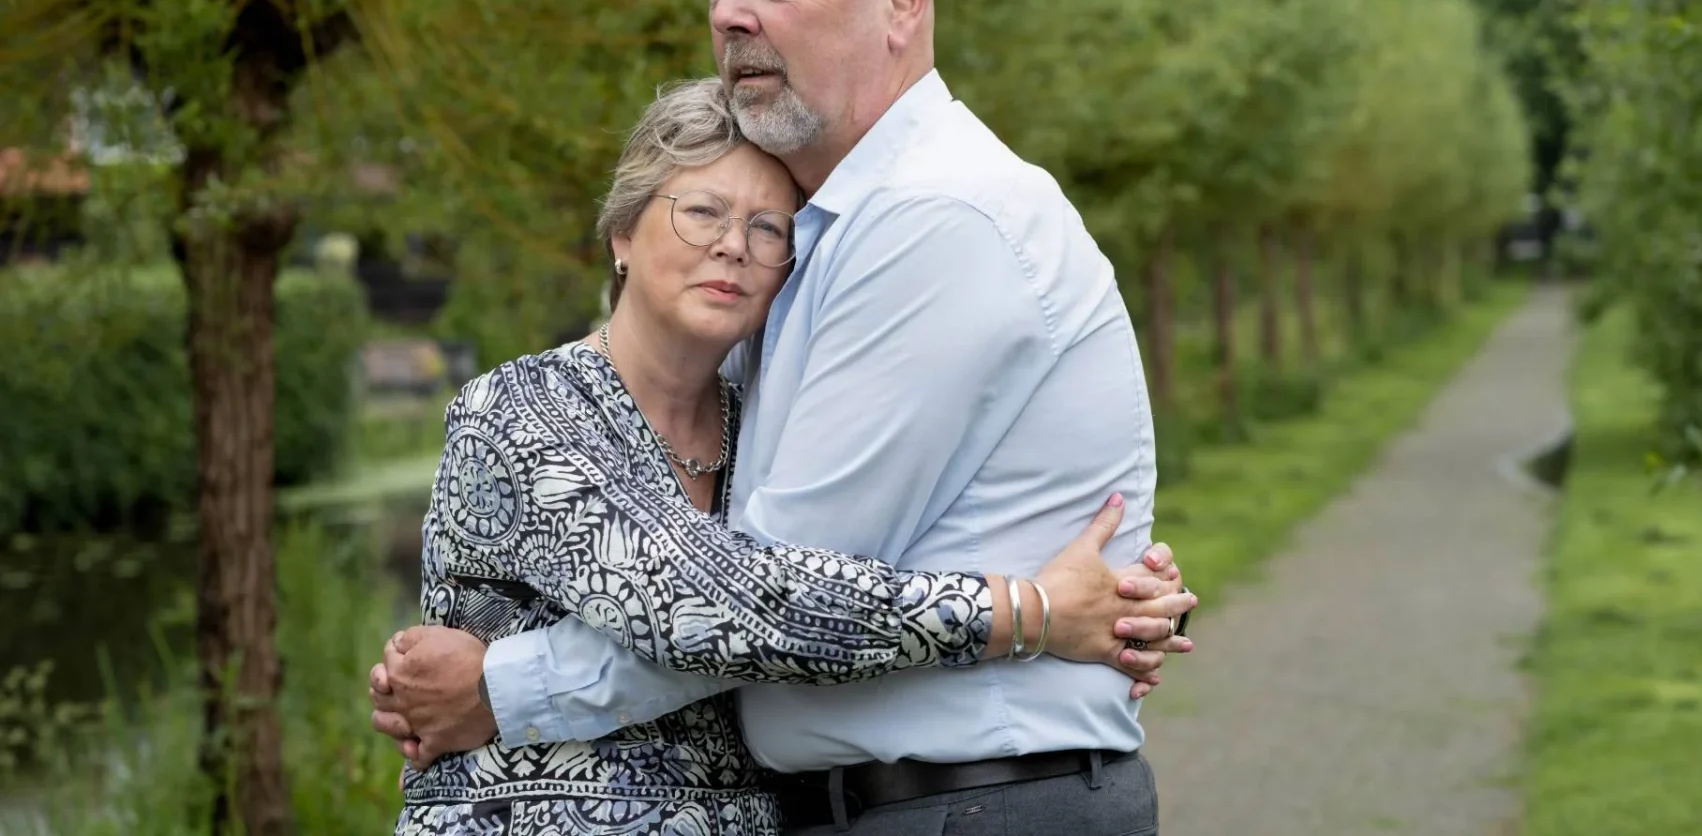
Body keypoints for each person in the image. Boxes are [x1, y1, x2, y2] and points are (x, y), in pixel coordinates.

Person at [380, 78, 1194, 836]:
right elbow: (711, 611)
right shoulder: (527, 409)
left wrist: (1124, 591)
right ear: (623, 232)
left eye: (768, 227)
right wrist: (1030, 611)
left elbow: (837, 573)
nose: (733, 244)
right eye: (701, 211)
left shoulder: (760, 424)